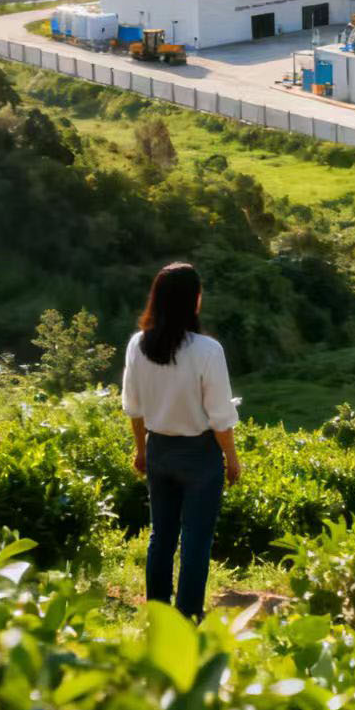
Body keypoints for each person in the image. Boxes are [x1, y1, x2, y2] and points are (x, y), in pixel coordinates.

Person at [122, 262, 241, 619]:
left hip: (159, 448)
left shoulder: (138, 345)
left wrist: (141, 451)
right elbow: (220, 416)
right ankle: (188, 614)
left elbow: (134, 407)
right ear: (195, 301)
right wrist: (232, 459)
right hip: (200, 454)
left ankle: (157, 610)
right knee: (196, 539)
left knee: (162, 534)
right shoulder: (207, 350)